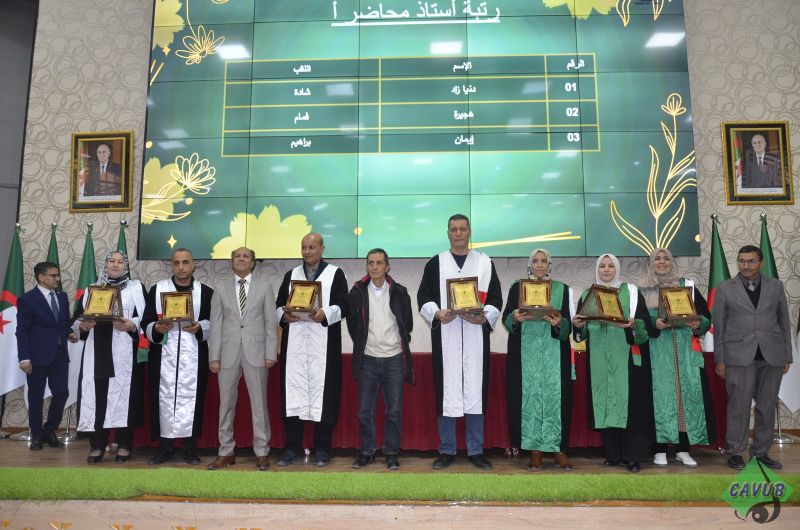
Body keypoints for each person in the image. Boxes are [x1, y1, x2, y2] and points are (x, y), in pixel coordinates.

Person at [417, 214, 502, 471]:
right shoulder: (436, 263)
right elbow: (423, 296)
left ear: (469, 231)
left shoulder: (484, 263)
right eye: (453, 229)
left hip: (476, 338)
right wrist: (437, 313)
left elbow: (496, 298)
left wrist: (484, 317)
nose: (458, 233)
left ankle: (476, 451)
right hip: (447, 338)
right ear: (448, 233)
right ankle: (447, 450)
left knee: (475, 392)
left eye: (462, 229)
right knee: (448, 393)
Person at [572, 254, 654, 473]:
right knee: (605, 402)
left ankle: (633, 456)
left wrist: (634, 324)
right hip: (599, 358)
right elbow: (581, 332)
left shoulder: (632, 292)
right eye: (602, 266)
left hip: (626, 357)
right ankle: (613, 455)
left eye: (610, 266)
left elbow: (645, 324)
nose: (606, 270)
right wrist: (578, 326)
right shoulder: (588, 294)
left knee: (630, 407)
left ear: (617, 269)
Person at [712, 245, 792, 470]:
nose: (745, 265)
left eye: (751, 261)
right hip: (738, 357)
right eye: (741, 261)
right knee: (739, 407)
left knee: (767, 406)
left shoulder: (775, 286)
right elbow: (719, 327)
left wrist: (787, 355)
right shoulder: (725, 288)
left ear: (761, 263)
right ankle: (736, 452)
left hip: (772, 356)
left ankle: (761, 453)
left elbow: (784, 322)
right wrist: (720, 359)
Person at [275, 233, 348, 467]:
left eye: (312, 247)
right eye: (304, 247)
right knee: (293, 394)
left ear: (322, 249)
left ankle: (322, 448)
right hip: (295, 345)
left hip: (323, 346)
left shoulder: (335, 273)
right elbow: (278, 306)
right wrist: (284, 316)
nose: (307, 252)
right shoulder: (291, 275)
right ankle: (292, 447)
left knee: (323, 395)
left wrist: (325, 313)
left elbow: (344, 305)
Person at [642, 248, 715, 468]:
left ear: (672, 262)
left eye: (666, 258)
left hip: (685, 353)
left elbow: (705, 316)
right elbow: (639, 320)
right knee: (660, 401)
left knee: (684, 400)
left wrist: (697, 323)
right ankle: (659, 450)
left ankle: (683, 450)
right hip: (657, 353)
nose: (662, 262)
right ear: (651, 263)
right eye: (657, 259)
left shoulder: (687, 285)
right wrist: (654, 323)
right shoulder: (642, 289)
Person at [73, 250, 148, 464]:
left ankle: (124, 444)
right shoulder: (92, 289)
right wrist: (82, 325)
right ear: (105, 265)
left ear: (126, 266)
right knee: (98, 397)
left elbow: (146, 317)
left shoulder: (137, 288)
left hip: (126, 351)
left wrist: (132, 324)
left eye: (120, 261)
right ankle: (98, 445)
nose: (115, 265)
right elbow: (76, 319)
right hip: (98, 351)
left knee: (126, 396)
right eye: (111, 261)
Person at [502, 248, 574, 471]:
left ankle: (559, 449)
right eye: (536, 261)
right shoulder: (517, 287)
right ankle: (535, 451)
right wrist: (514, 317)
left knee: (556, 399)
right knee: (530, 398)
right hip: (526, 355)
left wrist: (560, 323)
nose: (540, 265)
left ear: (549, 265)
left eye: (544, 261)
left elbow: (568, 325)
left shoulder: (562, 289)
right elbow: (507, 320)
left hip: (554, 354)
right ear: (530, 265)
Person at [207, 247, 278, 471]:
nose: (241, 259)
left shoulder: (265, 286)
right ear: (231, 261)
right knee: (226, 405)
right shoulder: (220, 287)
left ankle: (262, 451)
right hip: (226, 354)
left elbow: (270, 322)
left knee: (259, 405)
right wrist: (214, 357)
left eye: (245, 256)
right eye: (237, 256)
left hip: (257, 352)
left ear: (253, 262)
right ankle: (225, 451)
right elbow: (216, 324)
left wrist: (270, 353)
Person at [142, 248, 213, 466]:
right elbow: (146, 322)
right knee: (163, 398)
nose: (181, 267)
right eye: (176, 263)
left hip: (194, 355)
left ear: (193, 264)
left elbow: (213, 322)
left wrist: (200, 326)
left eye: (185, 262)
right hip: (164, 355)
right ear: (172, 265)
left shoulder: (206, 292)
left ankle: (190, 449)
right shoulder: (158, 290)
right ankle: (165, 448)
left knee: (192, 399)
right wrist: (156, 328)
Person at [347, 248, 413, 470]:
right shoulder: (357, 292)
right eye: (370, 263)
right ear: (366, 266)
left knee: (394, 411)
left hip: (394, 359)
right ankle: (367, 452)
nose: (374, 267)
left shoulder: (400, 292)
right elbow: (353, 325)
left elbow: (407, 324)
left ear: (387, 266)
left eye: (378, 263)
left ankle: (391, 452)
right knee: (364, 411)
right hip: (367, 359)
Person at [16, 261, 76, 451]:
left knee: (62, 393)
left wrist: (70, 333)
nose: (58, 278)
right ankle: (36, 435)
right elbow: (22, 330)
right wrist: (24, 357)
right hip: (37, 356)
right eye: (53, 275)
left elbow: (64, 323)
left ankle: (49, 430)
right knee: (36, 396)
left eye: (58, 275)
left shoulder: (62, 297)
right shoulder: (27, 299)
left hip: (59, 354)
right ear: (41, 277)